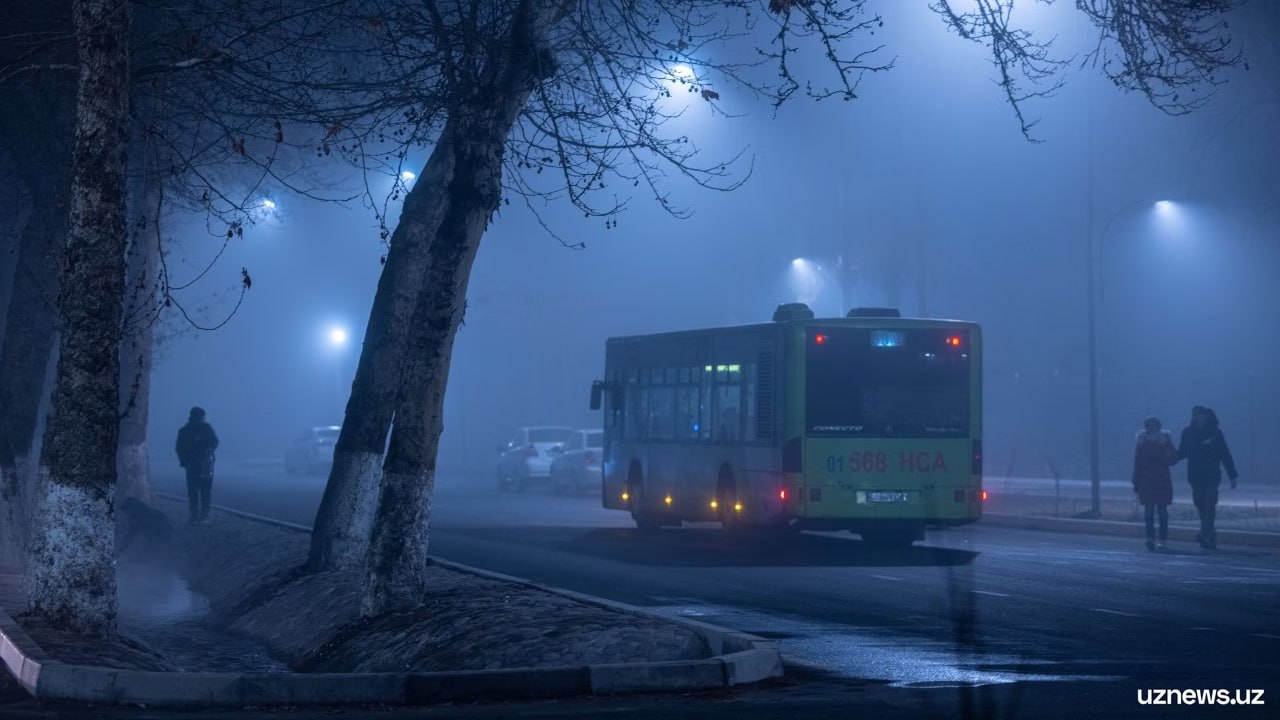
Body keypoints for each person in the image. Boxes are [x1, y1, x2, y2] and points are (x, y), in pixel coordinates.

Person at [1176, 406, 1238, 550]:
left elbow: (1225, 454)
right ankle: (1210, 532)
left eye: (1200, 415)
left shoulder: (1216, 433)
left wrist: (1232, 474)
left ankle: (1205, 535)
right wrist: (1168, 457)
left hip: (1211, 475)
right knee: (1200, 503)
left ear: (1206, 416)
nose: (1197, 417)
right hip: (1195, 475)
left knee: (1209, 503)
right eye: (1195, 415)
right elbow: (1182, 452)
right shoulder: (1187, 432)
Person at [1132, 416, 1176, 551]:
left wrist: (1166, 457)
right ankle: (1150, 539)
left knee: (1162, 511)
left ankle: (1163, 540)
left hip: (1162, 480)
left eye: (1152, 425)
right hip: (1146, 480)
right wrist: (1135, 481)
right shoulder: (1141, 442)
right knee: (1148, 511)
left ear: (1158, 426)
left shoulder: (1165, 441)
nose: (1150, 428)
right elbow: (1137, 462)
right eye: (1148, 426)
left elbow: (1174, 458)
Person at [175, 406, 219, 523]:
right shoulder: (206, 428)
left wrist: (184, 462)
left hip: (193, 464)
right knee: (205, 489)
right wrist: (210, 449)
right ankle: (204, 514)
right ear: (201, 417)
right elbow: (215, 441)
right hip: (205, 463)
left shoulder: (185, 430)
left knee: (193, 490)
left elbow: (179, 448)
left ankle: (194, 514)